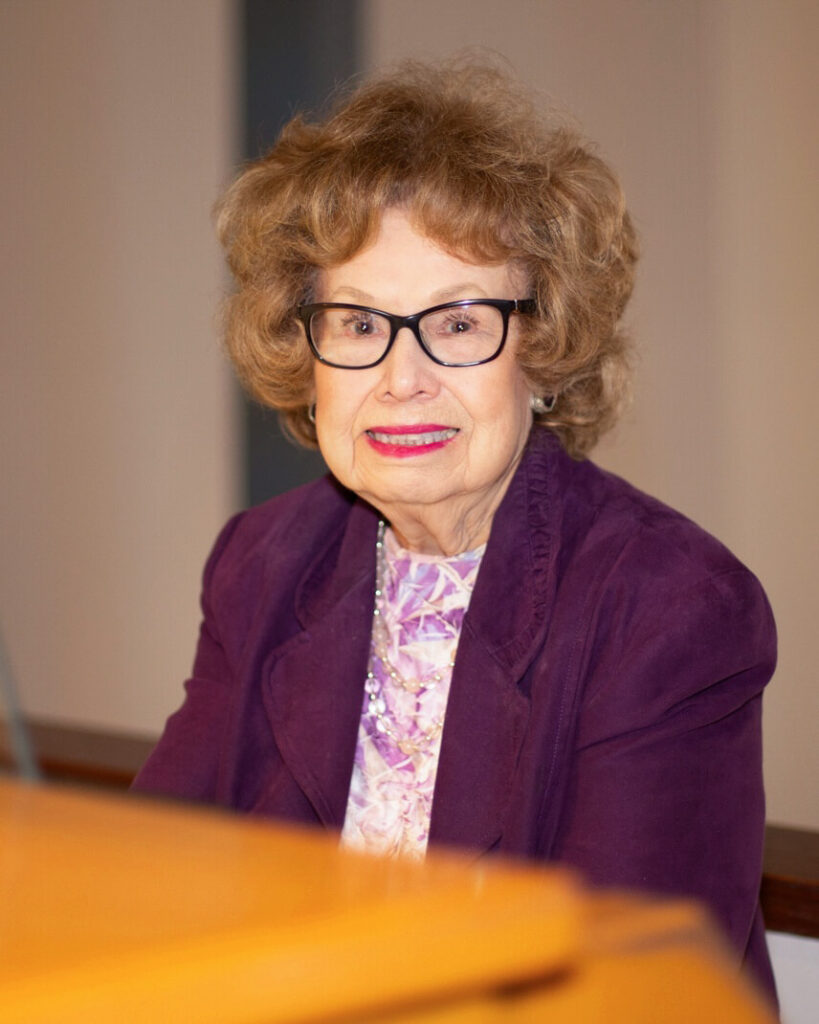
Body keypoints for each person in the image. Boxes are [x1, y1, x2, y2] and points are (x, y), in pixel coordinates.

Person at [132, 60, 776, 997]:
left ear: (545, 350)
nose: (400, 376)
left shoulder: (669, 608)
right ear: (304, 356)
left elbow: (626, 993)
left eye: (459, 322)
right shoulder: (263, 563)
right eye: (357, 324)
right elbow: (156, 881)